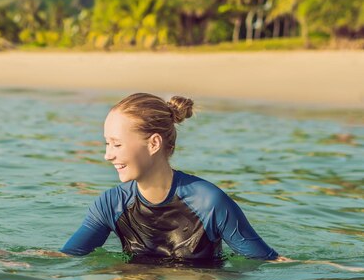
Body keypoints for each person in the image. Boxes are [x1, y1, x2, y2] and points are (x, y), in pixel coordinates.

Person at [61, 93, 282, 263]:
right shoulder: (111, 204)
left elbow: (268, 262)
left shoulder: (209, 203)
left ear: (154, 144)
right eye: (107, 143)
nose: (107, 155)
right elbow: (67, 257)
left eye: (117, 144)